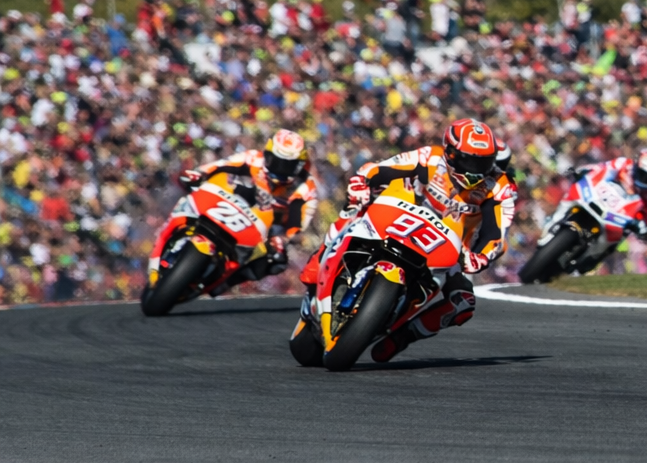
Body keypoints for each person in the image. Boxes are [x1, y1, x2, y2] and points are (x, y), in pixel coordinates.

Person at [301, 119, 517, 363]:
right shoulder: (431, 157)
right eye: (469, 161)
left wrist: (480, 256)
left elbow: (495, 233)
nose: (475, 170)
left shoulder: (500, 187)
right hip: (398, 216)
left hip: (447, 247)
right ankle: (320, 258)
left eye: (484, 162)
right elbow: (383, 168)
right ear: (450, 152)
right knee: (354, 209)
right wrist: (363, 181)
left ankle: (402, 337)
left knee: (463, 303)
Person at [176, 130, 319, 295]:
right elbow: (219, 165)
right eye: (275, 161)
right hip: (231, 204)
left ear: (299, 166)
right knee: (194, 193)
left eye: (288, 165)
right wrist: (199, 174)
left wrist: (283, 239)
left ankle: (227, 282)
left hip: (266, 227)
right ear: (267, 154)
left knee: (277, 261)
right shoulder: (253, 158)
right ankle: (179, 231)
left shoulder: (306, 188)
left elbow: (298, 224)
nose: (280, 169)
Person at [547, 149, 647, 273]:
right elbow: (601, 168)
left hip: (624, 219)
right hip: (601, 198)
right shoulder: (624, 164)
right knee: (573, 194)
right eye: (643, 173)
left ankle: (585, 263)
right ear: (637, 165)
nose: (645, 179)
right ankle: (553, 221)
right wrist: (583, 170)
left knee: (609, 243)